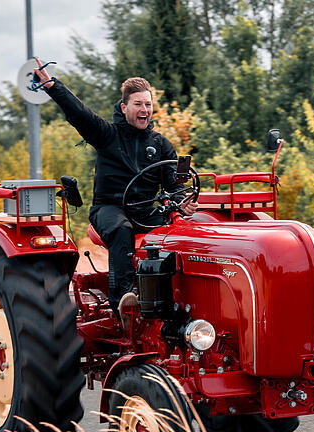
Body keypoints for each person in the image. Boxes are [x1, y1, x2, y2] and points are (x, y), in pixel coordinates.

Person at [33, 58, 197, 328]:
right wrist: (53, 86)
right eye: (138, 104)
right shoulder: (106, 135)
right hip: (109, 209)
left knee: (181, 231)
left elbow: (174, 187)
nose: (144, 109)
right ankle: (123, 302)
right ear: (124, 107)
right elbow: (79, 113)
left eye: (148, 104)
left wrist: (183, 203)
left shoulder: (162, 145)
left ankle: (177, 303)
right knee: (122, 229)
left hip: (146, 211)